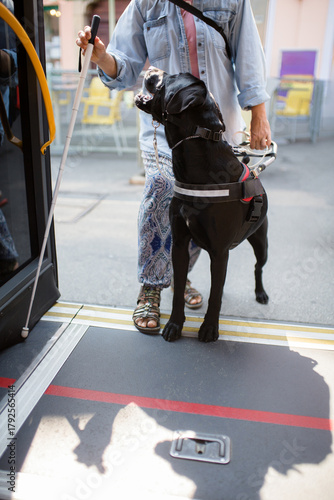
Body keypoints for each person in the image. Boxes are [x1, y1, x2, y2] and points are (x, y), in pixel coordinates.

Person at [76, 0, 271, 334]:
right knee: (163, 188)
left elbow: (248, 57)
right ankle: (152, 285)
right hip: (169, 132)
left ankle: (180, 274)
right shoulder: (145, 5)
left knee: (207, 209)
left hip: (215, 132)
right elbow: (123, 66)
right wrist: (101, 57)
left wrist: (260, 117)